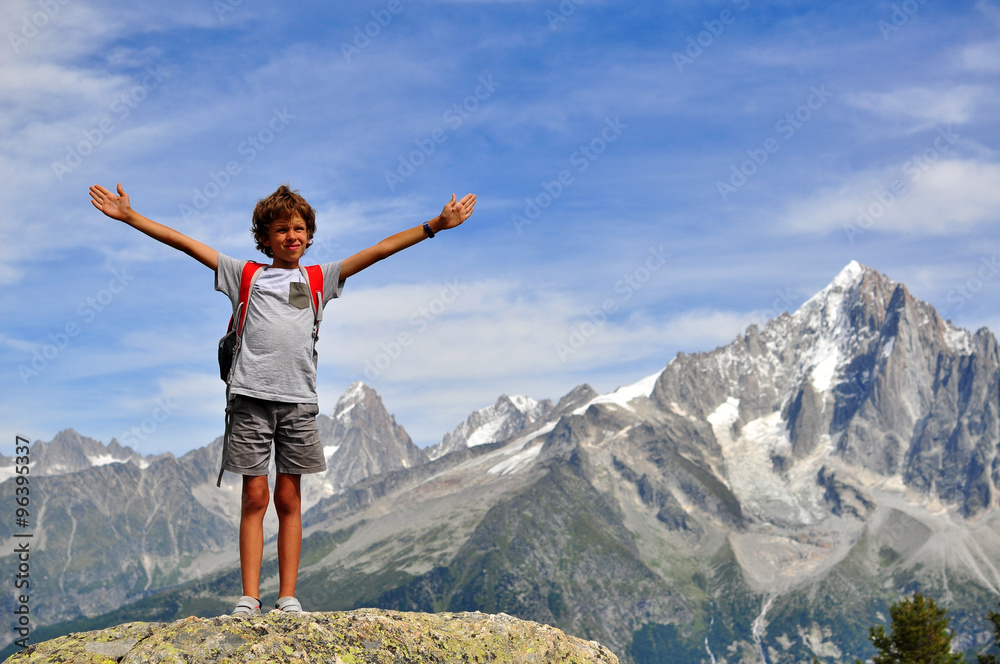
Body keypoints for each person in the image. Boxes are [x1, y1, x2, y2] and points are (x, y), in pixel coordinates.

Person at [89, 182, 476, 616]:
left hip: (298, 404)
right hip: (249, 401)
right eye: (281, 230)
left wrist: (436, 225)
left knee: (289, 499)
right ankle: (249, 598)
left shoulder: (318, 279)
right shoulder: (245, 274)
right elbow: (182, 243)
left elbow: (381, 250)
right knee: (254, 498)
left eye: (298, 228)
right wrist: (131, 217)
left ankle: (287, 597)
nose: (291, 236)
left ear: (309, 235)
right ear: (264, 238)